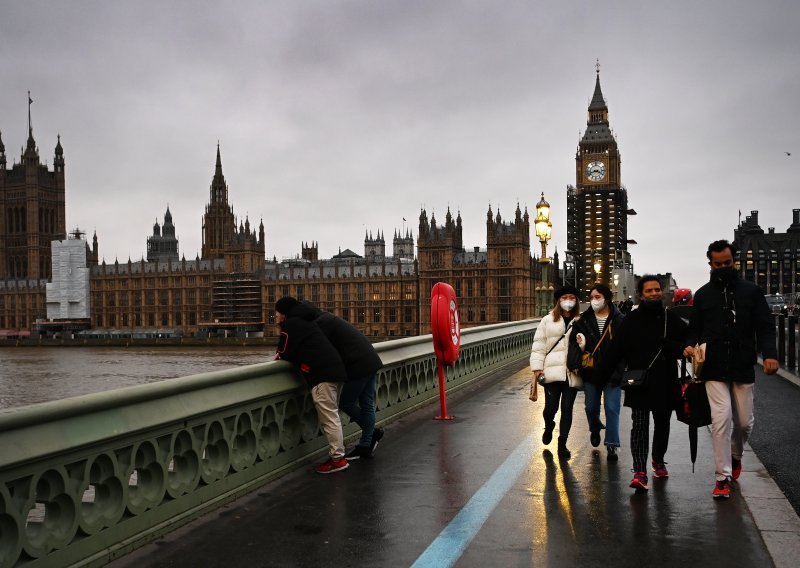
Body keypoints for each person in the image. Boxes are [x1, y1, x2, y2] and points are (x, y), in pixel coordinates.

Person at [684, 240, 778, 499]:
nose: (723, 267)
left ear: (734, 261)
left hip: (742, 364)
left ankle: (736, 457)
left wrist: (770, 354)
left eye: (727, 263)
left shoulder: (751, 292)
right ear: (710, 264)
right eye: (718, 264)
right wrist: (689, 345)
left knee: (744, 423)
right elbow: (694, 329)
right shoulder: (703, 295)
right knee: (721, 420)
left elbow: (765, 326)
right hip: (712, 367)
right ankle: (722, 475)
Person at [600, 275, 687, 492]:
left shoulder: (670, 318)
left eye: (657, 290)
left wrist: (672, 346)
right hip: (639, 380)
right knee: (639, 425)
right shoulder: (631, 319)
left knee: (662, 424)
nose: (654, 293)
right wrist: (599, 377)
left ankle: (658, 460)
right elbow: (615, 350)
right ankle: (639, 471)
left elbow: (687, 341)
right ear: (641, 294)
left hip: (665, 380)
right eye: (649, 291)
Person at [299, 300, 385, 460]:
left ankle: (371, 434)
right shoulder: (328, 318)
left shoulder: (319, 324)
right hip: (371, 359)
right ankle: (366, 445)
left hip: (358, 364)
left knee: (346, 402)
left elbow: (315, 348)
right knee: (367, 404)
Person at [274, 297, 350, 474]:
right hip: (335, 370)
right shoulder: (306, 321)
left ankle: (338, 459)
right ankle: (338, 455)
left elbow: (284, 351)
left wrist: (280, 353)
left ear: (283, 313)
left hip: (322, 374)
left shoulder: (291, 325)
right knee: (333, 416)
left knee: (330, 419)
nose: (275, 316)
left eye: (277, 313)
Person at [568, 283, 625, 461]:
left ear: (607, 298)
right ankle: (594, 428)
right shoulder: (583, 320)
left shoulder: (619, 319)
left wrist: (621, 368)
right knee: (591, 407)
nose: (594, 300)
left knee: (612, 408)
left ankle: (612, 445)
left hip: (611, 373)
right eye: (592, 297)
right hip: (591, 371)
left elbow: (626, 346)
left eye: (597, 297)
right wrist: (575, 362)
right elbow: (573, 344)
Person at [530, 285, 582, 459]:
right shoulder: (547, 320)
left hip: (572, 372)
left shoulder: (581, 321)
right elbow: (538, 345)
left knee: (567, 408)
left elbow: (588, 346)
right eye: (565, 297)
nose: (568, 301)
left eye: (572, 297)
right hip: (552, 372)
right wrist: (537, 368)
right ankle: (549, 424)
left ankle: (563, 443)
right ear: (558, 300)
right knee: (550, 409)